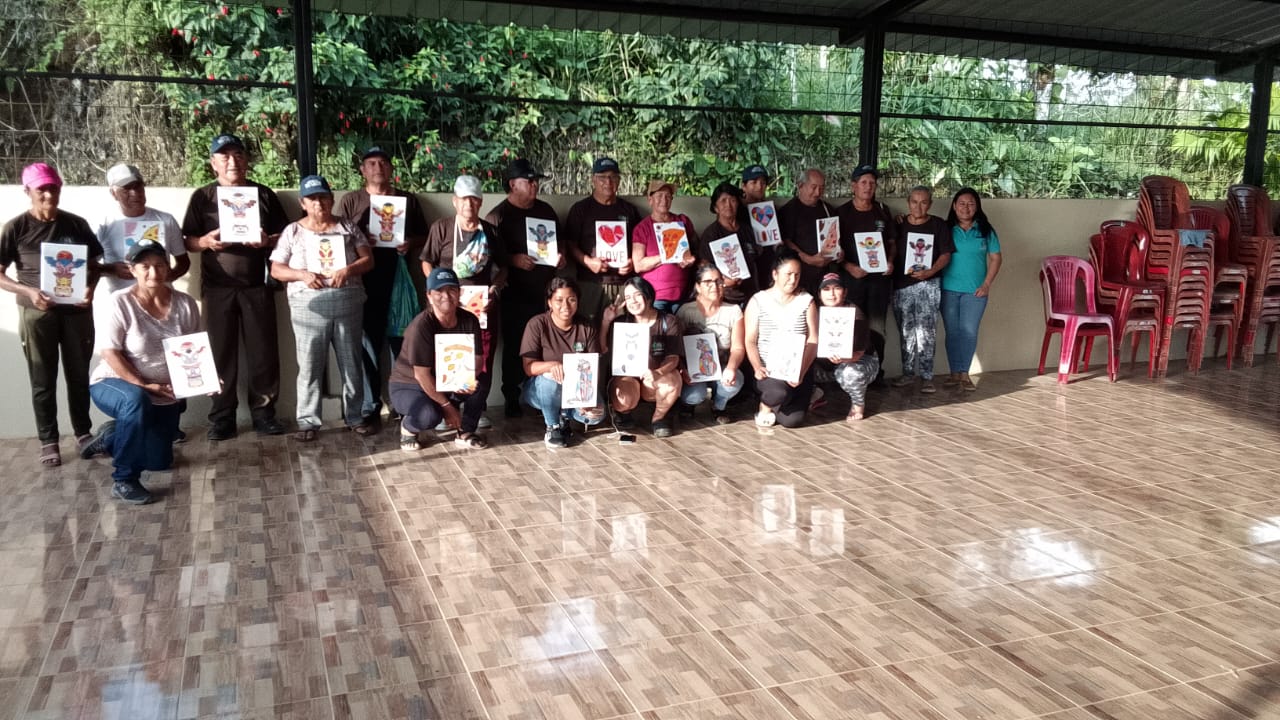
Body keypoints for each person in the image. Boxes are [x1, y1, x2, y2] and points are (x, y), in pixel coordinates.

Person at [182, 133, 288, 440]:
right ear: (213, 163)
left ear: (247, 159)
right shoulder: (202, 197)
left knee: (263, 353)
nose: (232, 161)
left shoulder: (264, 194)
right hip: (217, 289)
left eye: (238, 154)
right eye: (225, 156)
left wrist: (267, 241)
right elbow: (188, 240)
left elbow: (286, 235)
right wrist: (206, 242)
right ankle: (222, 417)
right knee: (220, 354)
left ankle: (264, 414)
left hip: (257, 286)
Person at [0, 163, 106, 466]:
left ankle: (83, 433)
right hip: (37, 314)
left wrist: (90, 289)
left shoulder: (76, 224)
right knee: (42, 378)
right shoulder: (16, 227)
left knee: (79, 374)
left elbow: (95, 265)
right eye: (41, 189)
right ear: (28, 191)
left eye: (53, 187)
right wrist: (28, 292)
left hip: (77, 313)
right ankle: (48, 440)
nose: (49, 194)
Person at [83, 241, 200, 504]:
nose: (153, 272)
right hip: (113, 382)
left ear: (168, 268)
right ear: (132, 270)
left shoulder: (185, 304)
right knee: (135, 401)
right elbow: (110, 353)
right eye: (145, 266)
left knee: (159, 461)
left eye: (159, 265)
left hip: (162, 392)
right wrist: (143, 384)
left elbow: (193, 350)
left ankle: (111, 437)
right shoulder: (119, 302)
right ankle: (124, 480)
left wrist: (205, 379)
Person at [268, 175, 373, 441]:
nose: (319, 203)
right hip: (308, 306)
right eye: (312, 198)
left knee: (351, 362)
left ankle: (355, 417)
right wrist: (302, 275)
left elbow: (368, 259)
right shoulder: (292, 231)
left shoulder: (347, 226)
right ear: (303, 203)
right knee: (310, 364)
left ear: (332, 199)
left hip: (347, 301)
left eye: (323, 197)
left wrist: (348, 270)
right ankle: (308, 422)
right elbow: (276, 269)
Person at [334, 146, 429, 433]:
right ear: (362, 170)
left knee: (402, 344)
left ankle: (403, 403)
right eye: (372, 163)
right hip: (364, 282)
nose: (378, 167)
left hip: (400, 282)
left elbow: (425, 235)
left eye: (383, 162)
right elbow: (337, 237)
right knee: (368, 346)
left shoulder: (408, 200)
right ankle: (370, 406)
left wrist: (409, 242)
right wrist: (361, 241)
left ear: (391, 168)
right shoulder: (351, 201)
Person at [420, 175, 507, 429]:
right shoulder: (442, 228)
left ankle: (475, 410)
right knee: (447, 355)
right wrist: (437, 291)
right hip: (447, 307)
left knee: (481, 359)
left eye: (474, 199)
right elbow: (426, 261)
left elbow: (503, 268)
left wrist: (495, 289)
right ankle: (447, 409)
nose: (469, 204)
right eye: (464, 199)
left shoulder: (490, 231)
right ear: (454, 201)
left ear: (480, 202)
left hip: (481, 307)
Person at [485, 159, 562, 418]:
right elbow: (486, 258)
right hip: (514, 293)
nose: (534, 185)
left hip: (546, 292)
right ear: (512, 184)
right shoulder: (498, 216)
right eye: (529, 181)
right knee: (516, 345)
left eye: (536, 181)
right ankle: (511, 396)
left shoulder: (546, 211)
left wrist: (560, 257)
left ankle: (542, 394)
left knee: (547, 343)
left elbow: (558, 244)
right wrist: (513, 260)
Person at [390, 267, 491, 451]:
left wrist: (466, 378)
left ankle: (465, 431)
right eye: (439, 291)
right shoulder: (422, 326)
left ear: (459, 293)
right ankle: (408, 428)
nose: (446, 296)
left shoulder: (470, 320)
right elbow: (421, 375)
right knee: (429, 415)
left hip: (447, 381)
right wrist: (447, 406)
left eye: (452, 290)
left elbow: (477, 358)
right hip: (410, 385)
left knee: (480, 382)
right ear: (429, 296)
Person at [520, 277, 605, 449]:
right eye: (559, 300)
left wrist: (587, 400)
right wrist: (552, 365)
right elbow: (528, 368)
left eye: (571, 299)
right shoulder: (537, 324)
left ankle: (565, 415)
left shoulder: (586, 327)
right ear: (549, 302)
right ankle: (553, 427)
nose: (565, 306)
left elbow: (593, 368)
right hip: (541, 389)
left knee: (597, 415)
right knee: (549, 379)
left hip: (576, 390)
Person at [744, 250, 818, 428]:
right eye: (788, 274)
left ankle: (787, 398)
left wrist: (801, 371)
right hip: (769, 370)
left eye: (797, 275)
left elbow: (813, 340)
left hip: (797, 369)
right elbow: (750, 340)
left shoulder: (807, 301)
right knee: (777, 392)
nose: (793, 280)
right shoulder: (758, 300)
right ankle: (765, 405)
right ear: (775, 274)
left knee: (793, 421)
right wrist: (757, 366)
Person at [603, 277, 683, 438]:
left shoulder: (668, 321)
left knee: (672, 380)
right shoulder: (621, 322)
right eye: (628, 297)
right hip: (627, 377)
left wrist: (658, 372)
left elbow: (673, 357)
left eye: (637, 295)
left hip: (653, 378)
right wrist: (606, 321)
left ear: (648, 296)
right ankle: (624, 412)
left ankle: (660, 417)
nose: (633, 301)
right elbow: (602, 348)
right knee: (623, 397)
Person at [565, 157, 642, 322]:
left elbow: (639, 244)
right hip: (591, 283)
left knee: (622, 331)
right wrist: (588, 262)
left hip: (623, 284)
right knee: (589, 329)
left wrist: (632, 262)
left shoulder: (629, 210)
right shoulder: (581, 209)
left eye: (613, 177)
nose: (608, 182)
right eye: (602, 177)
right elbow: (570, 244)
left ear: (619, 180)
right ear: (593, 180)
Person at [892, 186, 953, 393]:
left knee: (926, 332)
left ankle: (927, 377)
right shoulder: (899, 224)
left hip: (929, 285)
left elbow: (946, 254)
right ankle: (908, 374)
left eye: (924, 202)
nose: (918, 206)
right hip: (901, 286)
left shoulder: (938, 225)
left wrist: (931, 271)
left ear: (930, 204)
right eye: (914, 202)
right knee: (906, 332)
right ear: (908, 202)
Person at [941, 188, 1002, 392]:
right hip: (948, 290)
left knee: (969, 332)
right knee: (952, 332)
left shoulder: (986, 230)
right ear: (954, 206)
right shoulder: (945, 229)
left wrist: (987, 284)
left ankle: (964, 374)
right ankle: (954, 374)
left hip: (976, 292)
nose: (966, 208)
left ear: (977, 207)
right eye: (962, 203)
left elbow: (996, 258)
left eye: (971, 204)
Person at [96, 163, 190, 294]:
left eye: (138, 186)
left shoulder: (166, 220)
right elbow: (86, 266)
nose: (135, 193)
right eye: (126, 189)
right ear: (113, 193)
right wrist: (110, 269)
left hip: (160, 300)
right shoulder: (103, 225)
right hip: (121, 302)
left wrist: (168, 276)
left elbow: (183, 262)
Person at [837, 164, 896, 367]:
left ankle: (876, 374)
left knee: (877, 329)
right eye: (863, 182)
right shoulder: (841, 213)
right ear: (853, 186)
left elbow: (892, 243)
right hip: (852, 281)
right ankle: (849, 373)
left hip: (879, 282)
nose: (868, 187)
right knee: (852, 327)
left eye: (872, 183)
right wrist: (849, 266)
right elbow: (833, 249)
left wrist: (890, 261)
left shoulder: (883, 211)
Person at [676, 263, 745, 424]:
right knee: (694, 395)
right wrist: (682, 369)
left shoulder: (733, 311)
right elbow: (676, 346)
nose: (714, 286)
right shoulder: (685, 311)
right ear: (698, 286)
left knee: (733, 383)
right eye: (708, 282)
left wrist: (731, 368)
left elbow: (738, 347)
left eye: (718, 281)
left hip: (722, 366)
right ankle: (688, 404)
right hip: (693, 370)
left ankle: (719, 405)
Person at [814, 273, 878, 421]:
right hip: (826, 364)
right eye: (826, 289)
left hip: (857, 361)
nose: (831, 294)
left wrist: (843, 358)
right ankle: (814, 394)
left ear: (845, 292)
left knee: (849, 373)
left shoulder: (856, 314)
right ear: (819, 294)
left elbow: (859, 353)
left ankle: (858, 405)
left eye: (837, 288)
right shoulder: (814, 312)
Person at [631, 180, 698, 313]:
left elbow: (695, 250)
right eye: (659, 196)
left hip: (683, 294)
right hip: (655, 296)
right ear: (650, 199)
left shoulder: (682, 221)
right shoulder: (642, 228)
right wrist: (667, 255)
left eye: (668, 196)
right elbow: (638, 265)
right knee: (660, 326)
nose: (664, 200)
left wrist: (691, 259)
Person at [778, 168, 840, 293]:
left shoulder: (828, 210)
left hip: (825, 275)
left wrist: (838, 252)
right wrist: (808, 259)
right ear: (800, 186)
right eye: (813, 187)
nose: (817, 192)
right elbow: (786, 241)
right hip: (800, 275)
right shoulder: (788, 210)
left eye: (821, 188)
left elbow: (835, 237)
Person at [701, 181, 759, 306]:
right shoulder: (711, 234)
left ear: (738, 203)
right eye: (723, 201)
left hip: (751, 293)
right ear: (716, 208)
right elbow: (704, 265)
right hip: (726, 297)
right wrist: (723, 281)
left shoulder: (747, 230)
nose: (728, 205)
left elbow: (757, 256)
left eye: (732, 200)